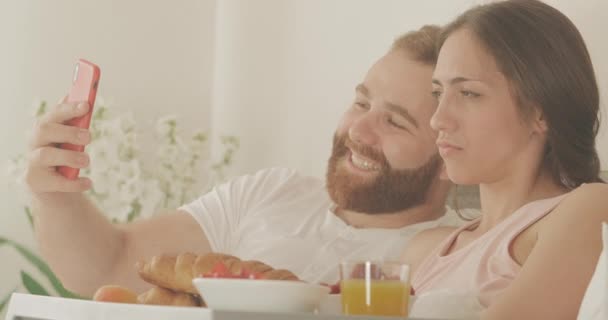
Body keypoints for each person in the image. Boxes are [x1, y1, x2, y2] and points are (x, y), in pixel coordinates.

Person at [25, 25, 462, 297]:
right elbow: (108, 265)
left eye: (396, 123)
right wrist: (57, 197)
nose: (359, 131)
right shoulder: (273, 192)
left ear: (449, 153)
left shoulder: (455, 254)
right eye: (361, 103)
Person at [402, 1, 608, 319]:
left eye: (469, 93)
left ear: (542, 111)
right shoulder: (423, 249)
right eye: (437, 93)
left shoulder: (588, 207)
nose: (438, 119)